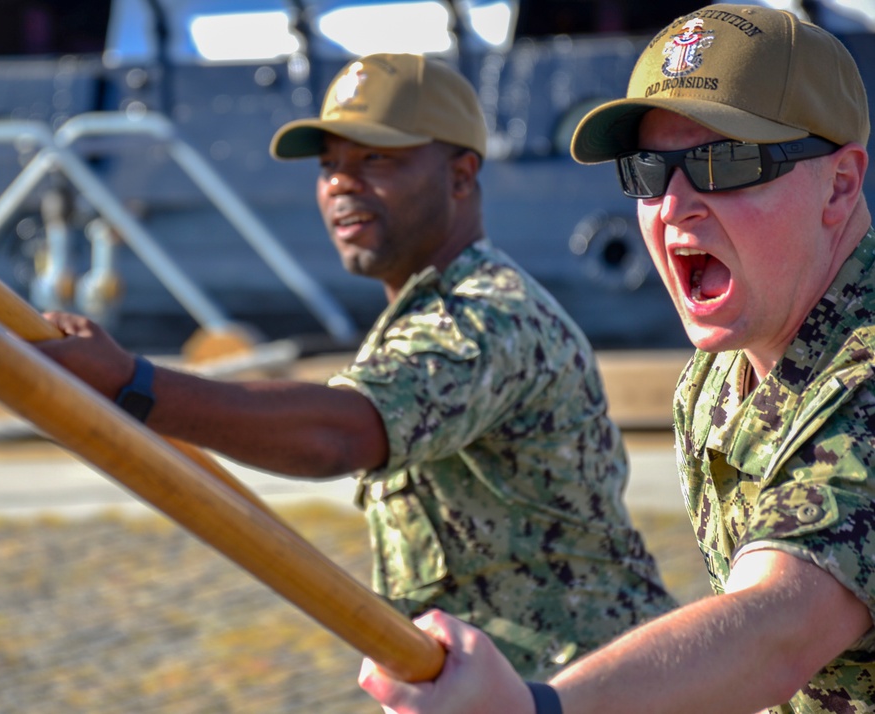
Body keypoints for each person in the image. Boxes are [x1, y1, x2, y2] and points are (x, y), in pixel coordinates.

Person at [37, 52, 676, 680]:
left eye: (375, 159)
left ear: (461, 175)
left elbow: (339, 434)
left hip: (595, 688)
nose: (341, 182)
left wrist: (131, 383)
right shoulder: (422, 315)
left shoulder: (488, 317)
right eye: (329, 165)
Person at [358, 4, 875, 713]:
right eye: (646, 172)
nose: (673, 206)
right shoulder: (717, 380)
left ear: (841, 185)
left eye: (725, 162)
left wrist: (540, 707)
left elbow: (780, 627)